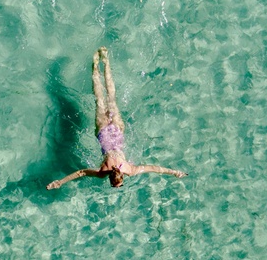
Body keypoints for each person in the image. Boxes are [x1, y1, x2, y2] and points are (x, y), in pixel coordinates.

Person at [47, 48, 187, 189]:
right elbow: (81, 173)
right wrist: (59, 182)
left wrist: (174, 172)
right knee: (100, 97)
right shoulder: (104, 171)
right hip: (102, 129)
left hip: (117, 128)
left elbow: (154, 168)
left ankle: (105, 61)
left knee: (110, 96)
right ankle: (97, 64)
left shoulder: (129, 170)